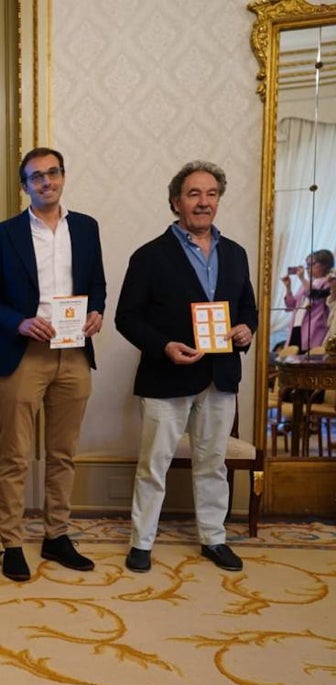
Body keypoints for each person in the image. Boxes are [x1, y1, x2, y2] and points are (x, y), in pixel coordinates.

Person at [115, 160, 258, 574]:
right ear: (176, 201)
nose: (204, 202)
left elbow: (246, 308)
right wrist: (163, 346)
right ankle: (141, 542)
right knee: (154, 464)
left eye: (211, 194)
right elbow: (128, 317)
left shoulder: (235, 254)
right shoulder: (149, 256)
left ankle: (214, 539)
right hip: (167, 376)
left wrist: (247, 328)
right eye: (194, 194)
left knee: (212, 463)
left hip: (220, 376)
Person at [0, 147, 106, 582]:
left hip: (74, 354)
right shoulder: (3, 234)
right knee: (15, 456)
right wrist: (20, 322)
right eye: (36, 177)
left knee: (63, 454)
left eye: (53, 173)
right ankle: (12, 542)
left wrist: (97, 313)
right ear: (24, 185)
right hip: (24, 354)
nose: (46, 182)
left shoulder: (86, 228)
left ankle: (56, 536)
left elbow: (97, 286)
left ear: (63, 176)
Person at [281, 249, 333, 351]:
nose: (308, 268)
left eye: (311, 264)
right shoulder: (306, 284)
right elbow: (290, 305)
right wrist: (288, 287)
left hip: (313, 330)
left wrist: (302, 279)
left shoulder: (327, 282)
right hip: (296, 327)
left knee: (308, 361)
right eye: (307, 265)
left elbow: (314, 295)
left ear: (324, 265)